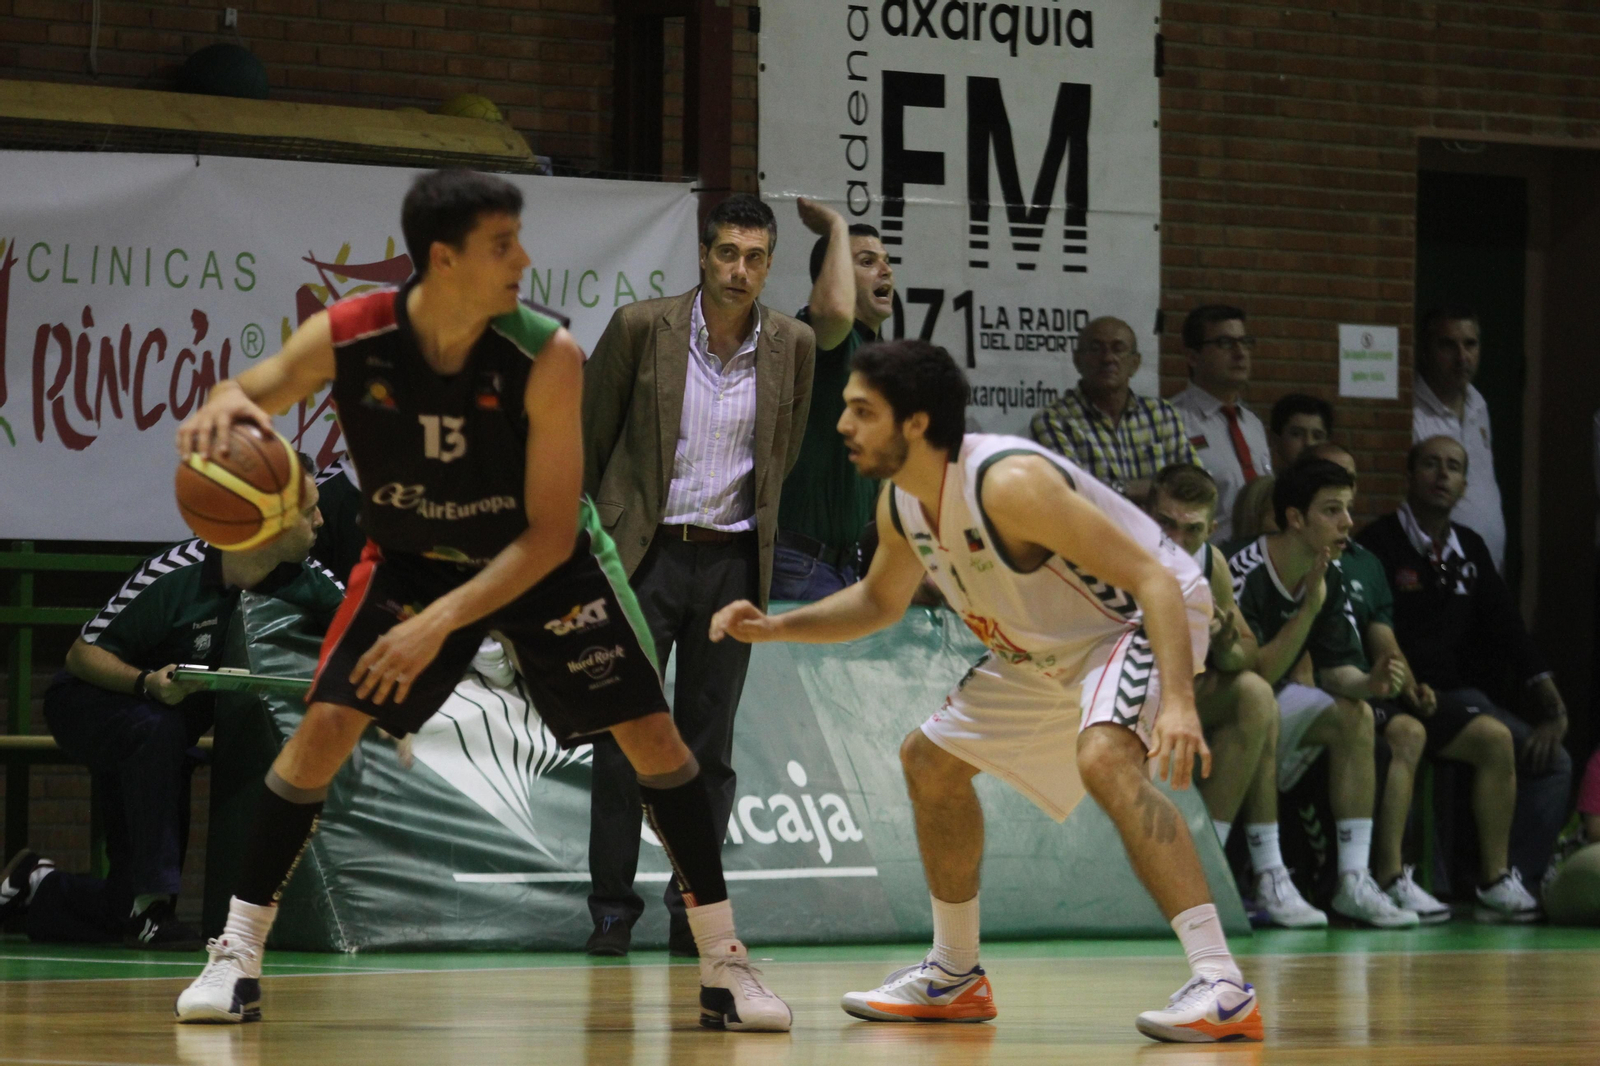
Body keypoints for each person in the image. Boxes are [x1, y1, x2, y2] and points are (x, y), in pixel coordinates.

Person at [171, 170, 791, 1031]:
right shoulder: (351, 335)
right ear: (443, 259)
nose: (524, 259)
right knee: (323, 730)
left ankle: (726, 967)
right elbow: (253, 389)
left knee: (655, 739)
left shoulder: (549, 354)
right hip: (413, 562)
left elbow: (544, 538)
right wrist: (220, 411)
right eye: (503, 245)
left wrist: (440, 625)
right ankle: (236, 955)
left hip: (545, 565)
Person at [711, 338, 1264, 1043]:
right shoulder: (903, 503)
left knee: (1103, 757)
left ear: (913, 423)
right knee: (929, 762)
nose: (844, 426)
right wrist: (775, 628)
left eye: (861, 411)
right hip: (1043, 647)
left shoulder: (1007, 483)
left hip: (1134, 620)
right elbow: (878, 603)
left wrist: (1180, 703)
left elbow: (1155, 577)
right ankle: (954, 974)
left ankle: (1222, 982)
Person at [581, 193, 814, 958]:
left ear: (770, 266)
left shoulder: (795, 346)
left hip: (733, 564)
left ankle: (696, 914)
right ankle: (611, 910)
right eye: (727, 254)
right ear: (704, 256)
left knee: (707, 753)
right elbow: (590, 443)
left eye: (755, 258)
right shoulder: (642, 327)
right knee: (623, 740)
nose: (739, 270)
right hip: (641, 558)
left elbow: (784, 455)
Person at [6, 463, 338, 950]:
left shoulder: (308, 577)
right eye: (310, 512)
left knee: (162, 745)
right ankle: (153, 908)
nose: (322, 522)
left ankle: (40, 888)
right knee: (158, 732)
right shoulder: (175, 574)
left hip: (165, 727)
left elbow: (365, 625)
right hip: (96, 702)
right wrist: (145, 684)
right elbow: (82, 655)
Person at [1307, 443, 1531, 923]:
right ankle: (1391, 876)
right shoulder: (1307, 553)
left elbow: (1382, 634)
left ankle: (1494, 879)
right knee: (1407, 733)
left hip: (1386, 686)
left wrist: (1406, 684)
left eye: (1348, 490)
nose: (1344, 506)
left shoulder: (1365, 561)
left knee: (1495, 738)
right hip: (1337, 688)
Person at [1359, 435, 1572, 900]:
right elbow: (1372, 630)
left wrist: (1553, 709)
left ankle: (1519, 878)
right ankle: (1486, 879)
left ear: (1464, 485)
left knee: (1554, 761)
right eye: (1431, 464)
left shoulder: (1470, 550)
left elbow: (1512, 632)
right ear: (1410, 475)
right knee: (1493, 739)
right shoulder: (1377, 543)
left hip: (1455, 696)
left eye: (1452, 467)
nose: (1441, 475)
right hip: (1395, 691)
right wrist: (1406, 685)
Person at [1226, 460, 1419, 927]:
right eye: (1332, 510)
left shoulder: (1327, 573)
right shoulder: (1243, 568)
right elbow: (1256, 670)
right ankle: (1270, 876)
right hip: (1220, 708)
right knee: (1263, 703)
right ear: (1295, 518)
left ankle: (1353, 880)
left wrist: (1370, 684)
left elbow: (1336, 673)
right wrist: (1308, 609)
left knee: (1355, 716)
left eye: (1348, 510)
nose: (1347, 523)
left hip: (1270, 701)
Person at [1145, 464, 1325, 928]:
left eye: (1192, 530)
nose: (1177, 540)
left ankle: (1208, 870)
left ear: (1212, 530)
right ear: (1146, 514)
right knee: (1257, 700)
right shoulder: (1115, 550)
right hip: (1112, 704)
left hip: (1172, 706)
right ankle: (1258, 870)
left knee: (1254, 695)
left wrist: (1225, 647)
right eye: (1166, 524)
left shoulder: (1211, 564)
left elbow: (1246, 653)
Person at [771, 197, 893, 600]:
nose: (885, 269)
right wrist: (836, 227)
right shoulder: (824, 338)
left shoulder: (876, 353)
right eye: (866, 261)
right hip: (799, 561)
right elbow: (836, 312)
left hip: (847, 564)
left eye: (886, 260)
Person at [1029, 316, 1199, 500]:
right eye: (1096, 349)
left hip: (1158, 529)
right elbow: (1070, 492)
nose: (1108, 358)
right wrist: (1152, 489)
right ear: (1077, 360)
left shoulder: (1161, 414)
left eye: (1118, 349)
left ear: (1135, 363)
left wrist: (1112, 489)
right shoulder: (1054, 420)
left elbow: (1196, 483)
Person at [1412, 307, 1506, 573]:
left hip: (1489, 565)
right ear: (1426, 350)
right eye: (1448, 345)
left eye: (1470, 344)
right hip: (1439, 568)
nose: (1462, 357)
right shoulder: (1412, 414)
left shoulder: (1478, 403)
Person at [1170, 306, 1273, 544]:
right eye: (1226, 343)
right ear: (1193, 357)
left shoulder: (1252, 423)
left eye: (1245, 342)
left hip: (1260, 558)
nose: (1240, 353)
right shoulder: (1172, 420)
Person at [1268, 394, 1333, 471]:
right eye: (1296, 434)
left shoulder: (1342, 482)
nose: (1309, 443)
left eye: (1317, 436)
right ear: (1276, 440)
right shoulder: (1263, 483)